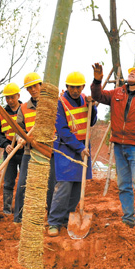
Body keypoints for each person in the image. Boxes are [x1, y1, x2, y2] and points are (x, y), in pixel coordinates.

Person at [91, 62, 135, 227]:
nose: (132, 73)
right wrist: (96, 80)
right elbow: (98, 96)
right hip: (118, 146)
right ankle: (128, 219)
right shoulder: (117, 92)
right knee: (123, 185)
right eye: (131, 71)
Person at [46, 72, 98, 236]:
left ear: (82, 87)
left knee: (77, 186)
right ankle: (54, 221)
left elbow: (91, 121)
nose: (75, 90)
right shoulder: (60, 103)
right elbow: (62, 130)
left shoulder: (85, 100)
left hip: (83, 146)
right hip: (66, 148)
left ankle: (66, 219)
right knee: (64, 185)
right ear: (67, 87)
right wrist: (78, 147)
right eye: (72, 87)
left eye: (78, 87)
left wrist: (93, 107)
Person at [13, 72, 56, 223]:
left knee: (51, 185)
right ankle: (18, 218)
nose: (33, 90)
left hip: (49, 151)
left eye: (35, 86)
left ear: (41, 86)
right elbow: (19, 129)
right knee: (23, 184)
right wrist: (21, 138)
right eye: (29, 88)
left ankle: (52, 218)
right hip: (29, 151)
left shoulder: (53, 105)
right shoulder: (23, 108)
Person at [0, 82, 25, 215]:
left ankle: (22, 210)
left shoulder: (25, 110)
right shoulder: (2, 113)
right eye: (7, 98)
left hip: (25, 152)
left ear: (18, 95)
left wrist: (23, 140)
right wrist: (5, 145)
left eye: (12, 97)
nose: (10, 100)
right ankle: (7, 210)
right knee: (8, 182)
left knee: (24, 183)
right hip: (9, 152)